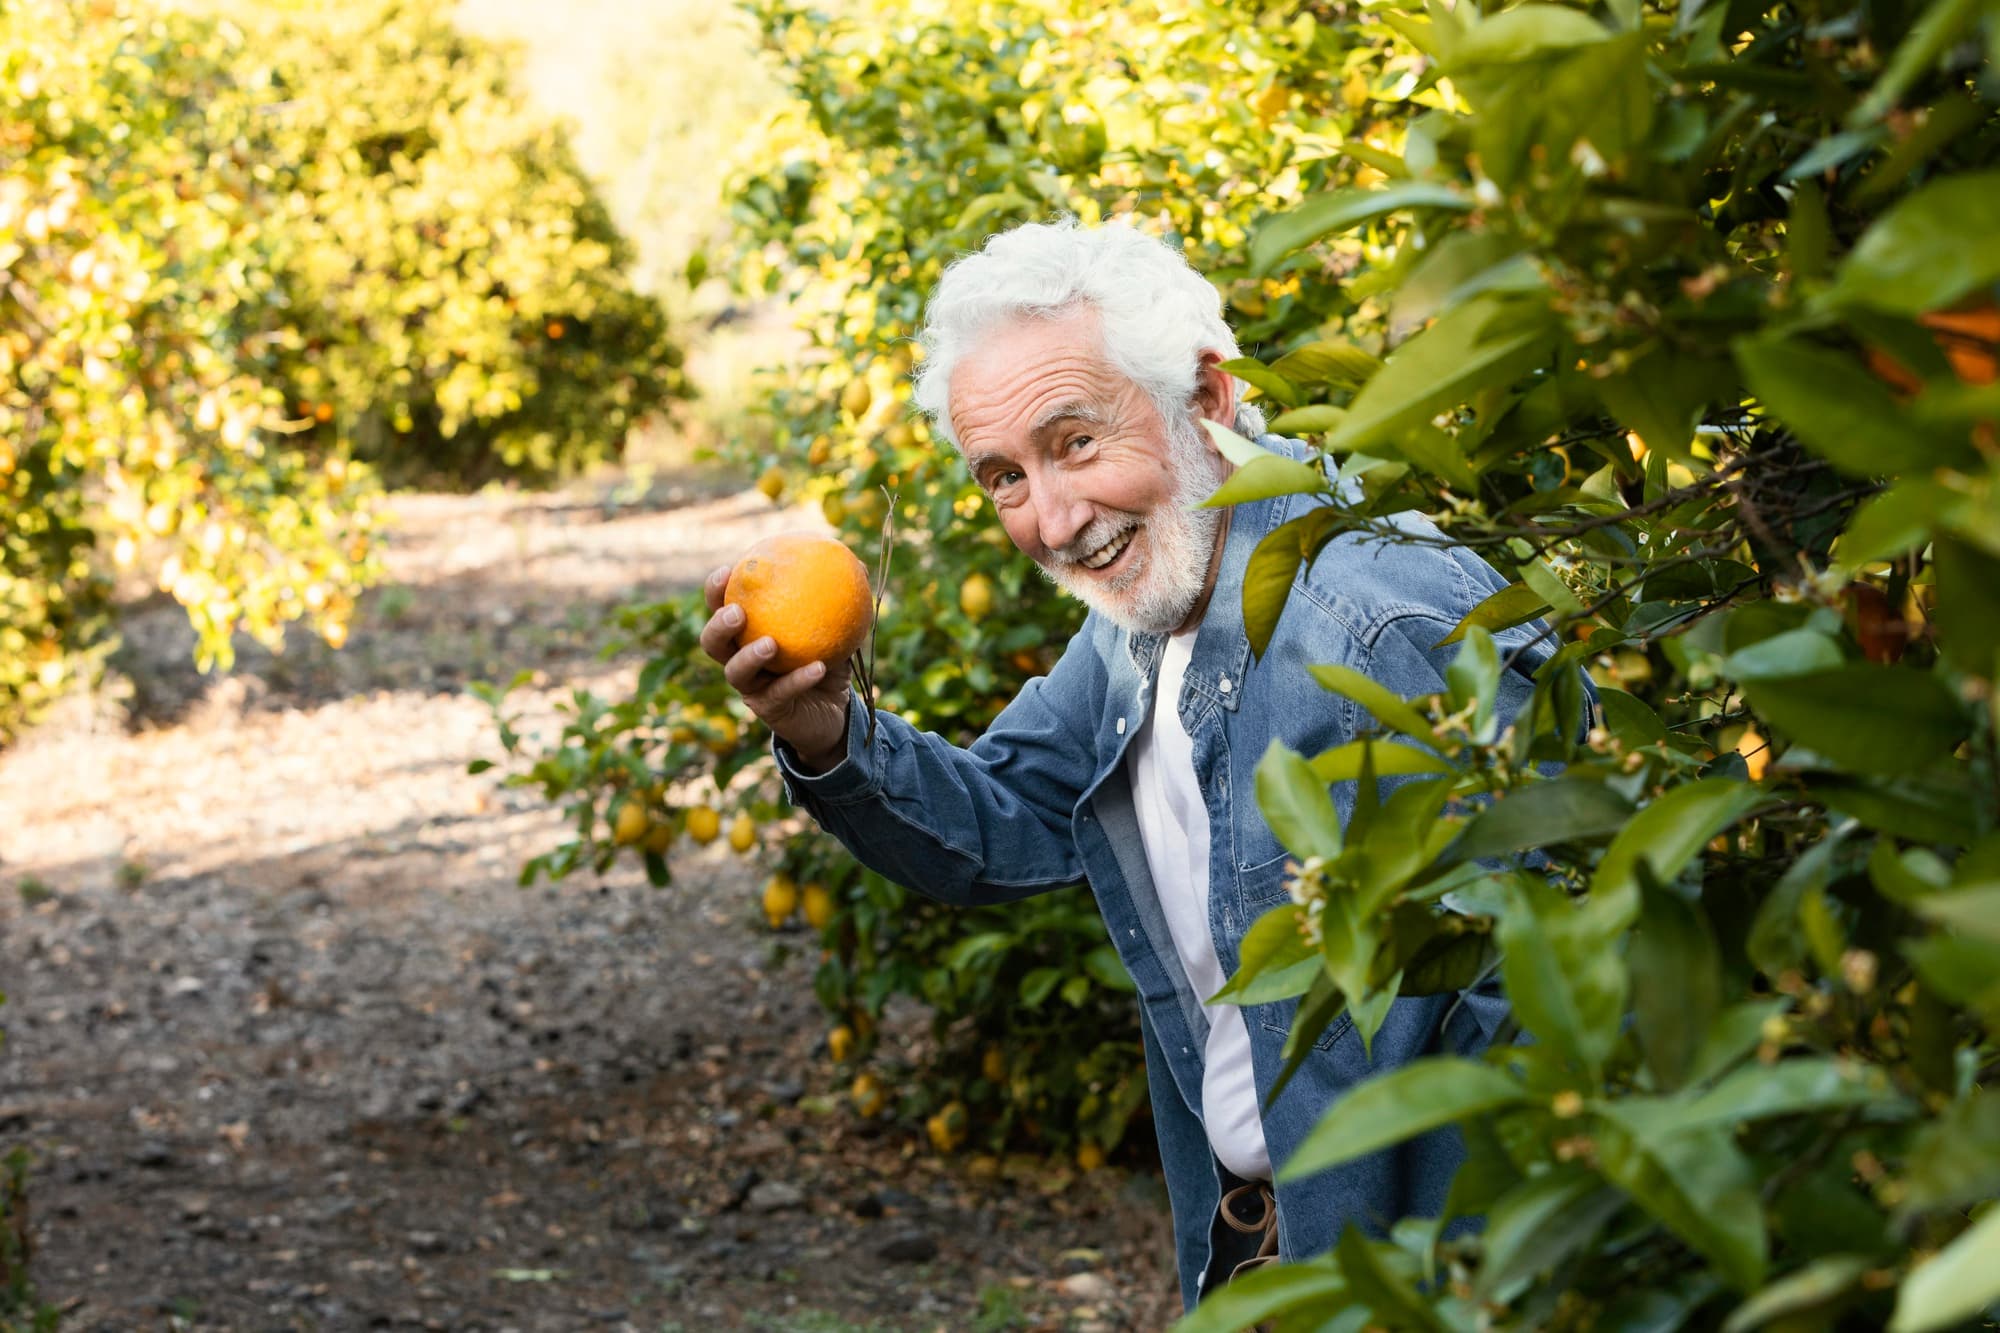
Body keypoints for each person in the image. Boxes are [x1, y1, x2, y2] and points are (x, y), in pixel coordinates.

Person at [699, 219, 1557, 1311]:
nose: (1053, 521)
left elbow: (1548, 1018)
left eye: (1074, 442)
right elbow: (1005, 820)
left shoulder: (1383, 627)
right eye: (1004, 477)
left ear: (1207, 397)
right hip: (1264, 1255)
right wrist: (825, 730)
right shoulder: (1141, 626)